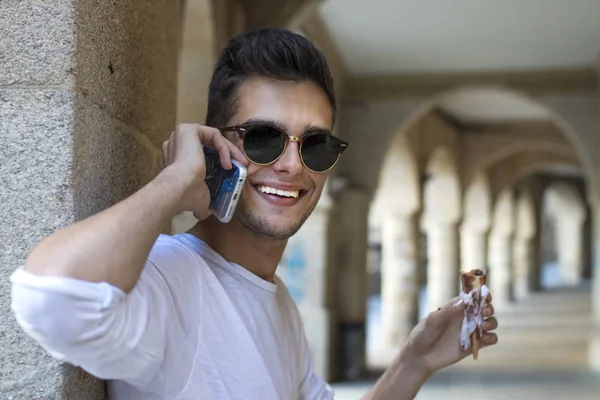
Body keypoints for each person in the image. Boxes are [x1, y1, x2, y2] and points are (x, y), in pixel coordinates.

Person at [10, 27, 498, 400]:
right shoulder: (170, 278)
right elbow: (51, 300)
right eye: (263, 138)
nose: (291, 164)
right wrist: (176, 183)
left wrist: (413, 362)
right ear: (215, 144)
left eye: (316, 144)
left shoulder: (277, 303)